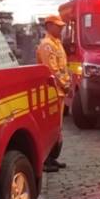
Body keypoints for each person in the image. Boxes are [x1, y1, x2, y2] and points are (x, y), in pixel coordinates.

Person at [36, 15, 70, 172]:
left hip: (59, 91)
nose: (61, 29)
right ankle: (46, 160)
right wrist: (65, 84)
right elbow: (52, 70)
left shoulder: (57, 43)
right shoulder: (47, 45)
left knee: (57, 126)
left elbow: (63, 67)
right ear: (49, 26)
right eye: (58, 26)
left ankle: (52, 158)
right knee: (50, 126)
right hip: (52, 91)